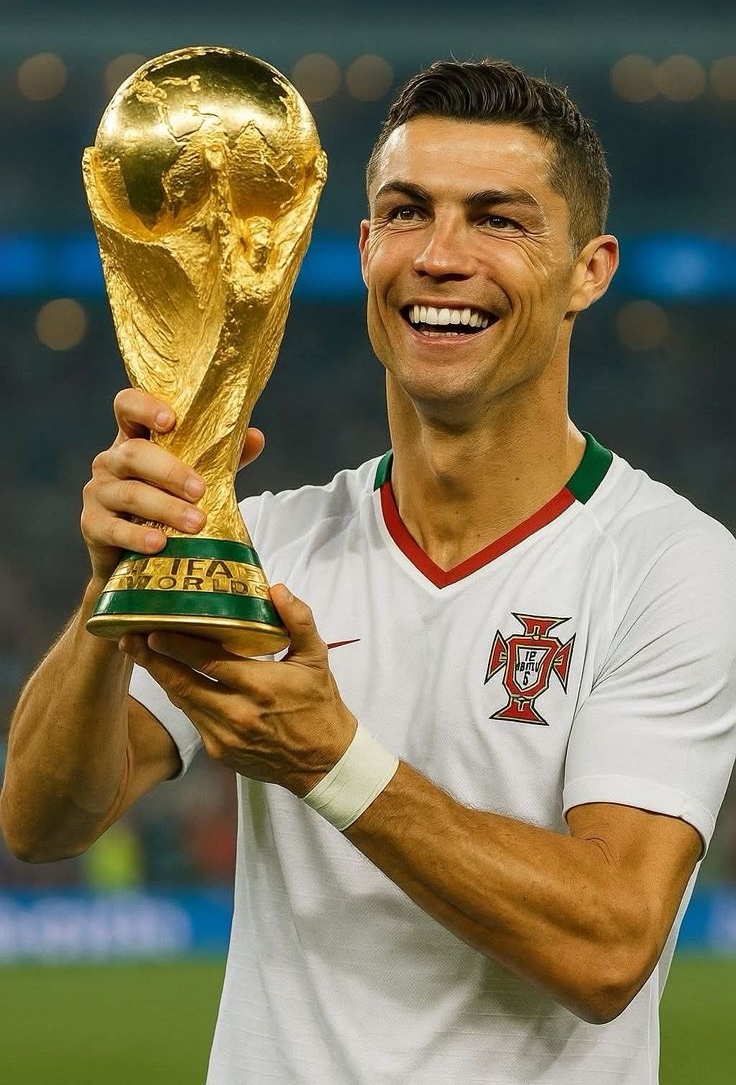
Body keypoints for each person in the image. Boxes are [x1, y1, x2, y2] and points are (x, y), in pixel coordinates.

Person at [3, 58, 736, 1085]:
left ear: (589, 270)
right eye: (406, 212)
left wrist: (331, 761)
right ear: (361, 250)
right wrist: (112, 587)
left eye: (498, 220)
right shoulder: (265, 545)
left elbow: (608, 946)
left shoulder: (673, 565)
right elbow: (42, 820)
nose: (439, 256)